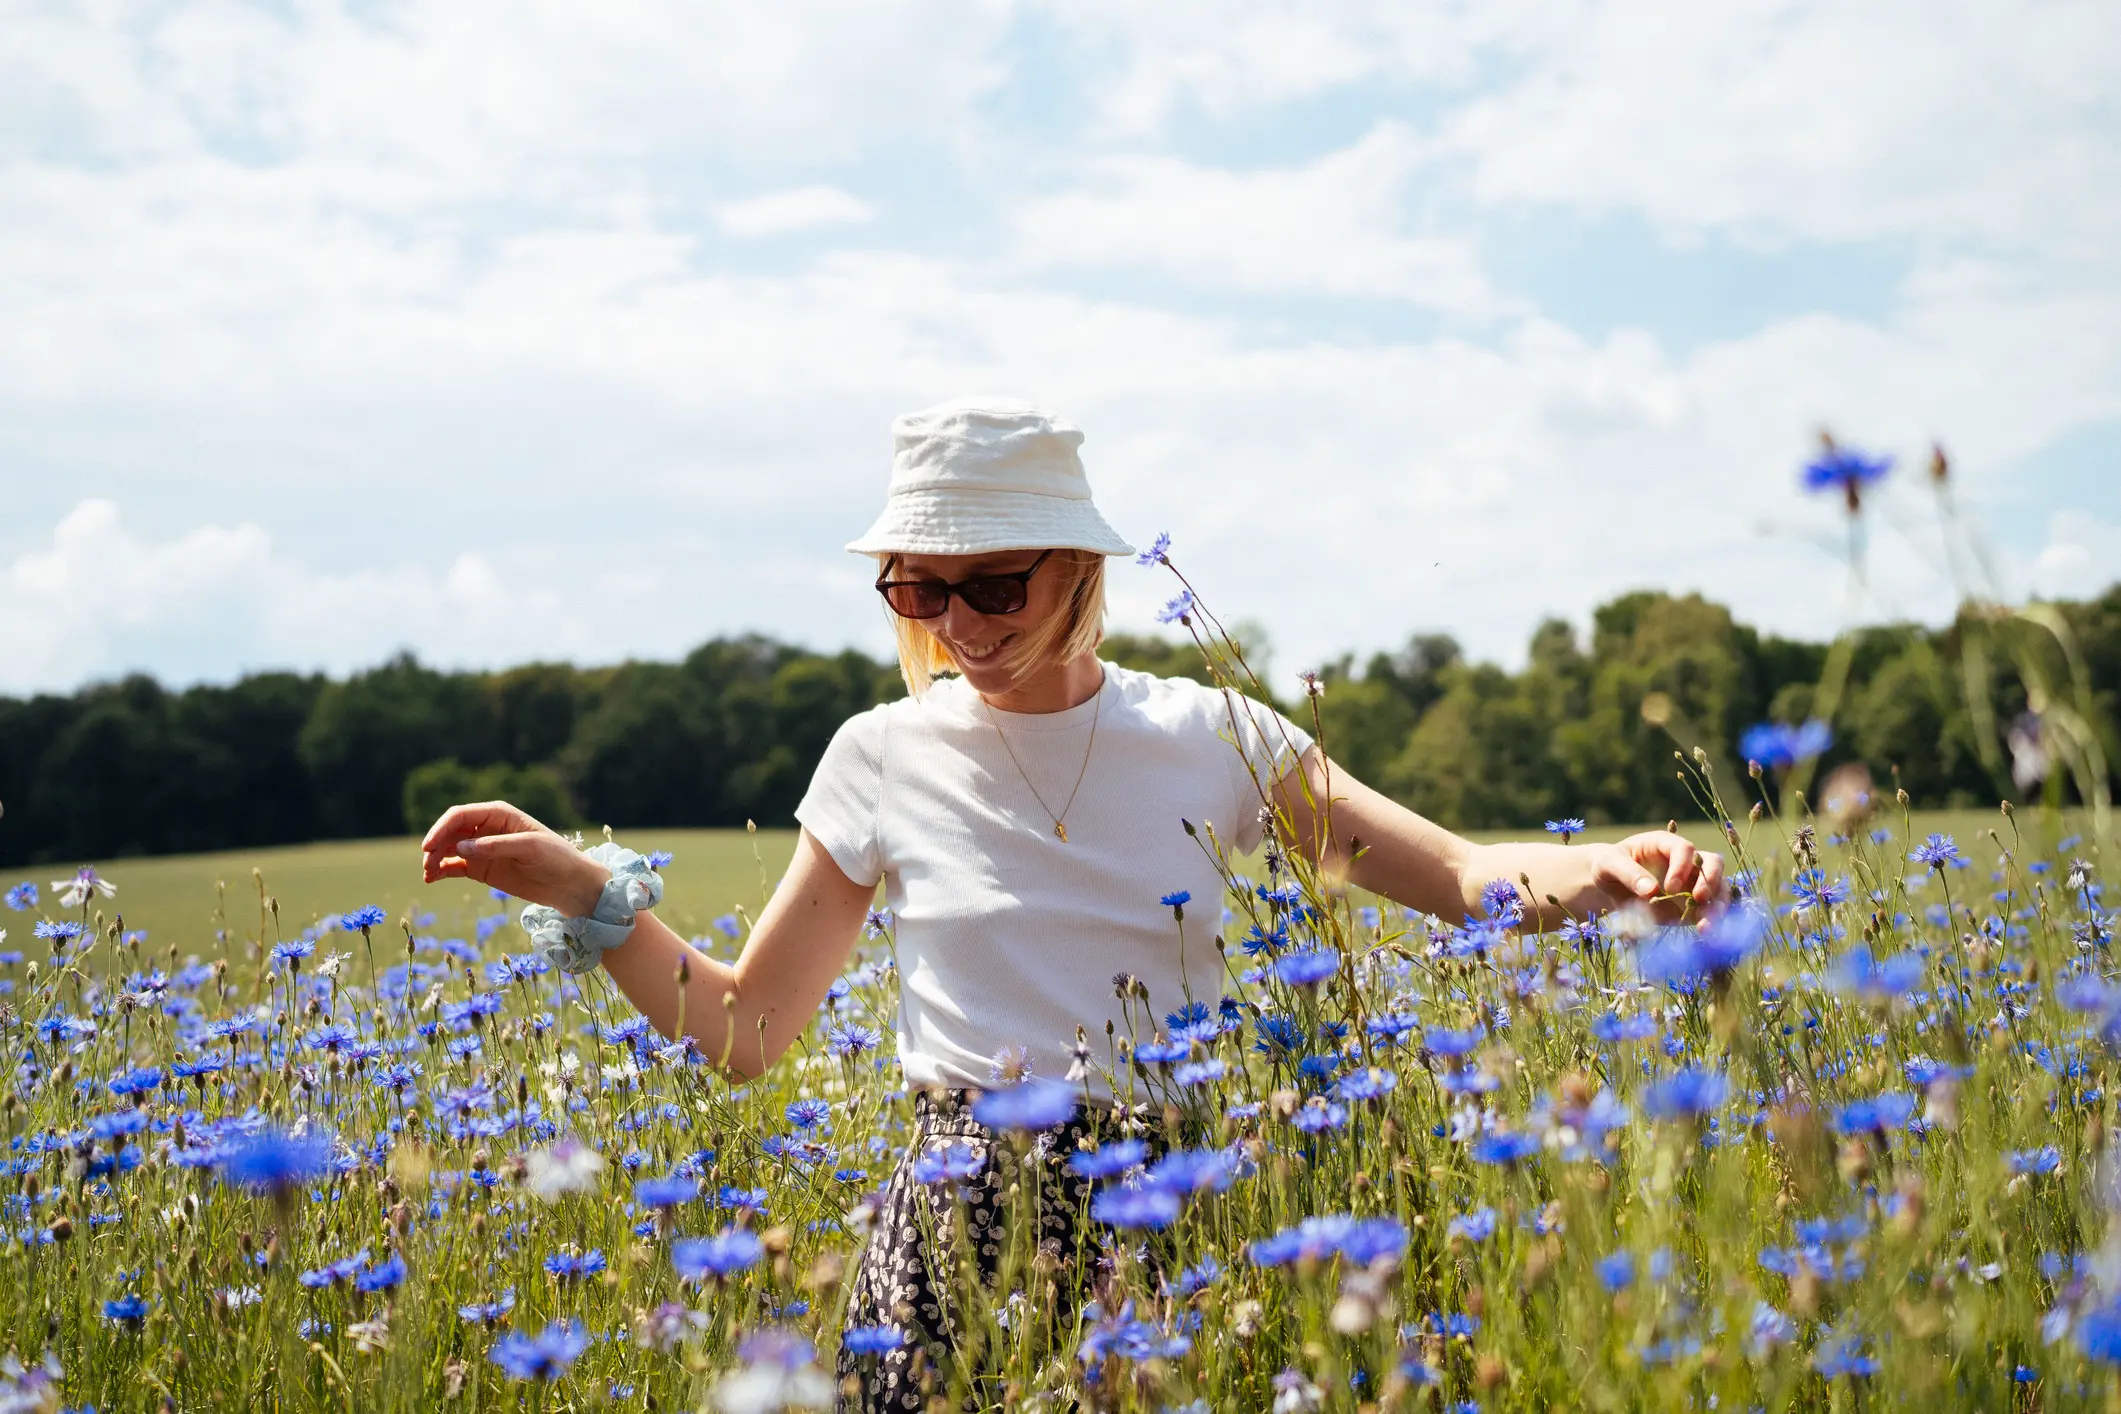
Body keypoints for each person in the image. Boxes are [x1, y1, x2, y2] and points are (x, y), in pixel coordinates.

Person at [419, 397, 1726, 1411]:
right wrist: (588, 894)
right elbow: (747, 1031)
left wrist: (1608, 869)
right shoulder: (878, 755)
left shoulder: (1214, 731)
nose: (962, 623)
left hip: (1185, 1200)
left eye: (996, 584)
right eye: (922, 590)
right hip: (954, 1213)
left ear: (1081, 568)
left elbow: (1451, 876)